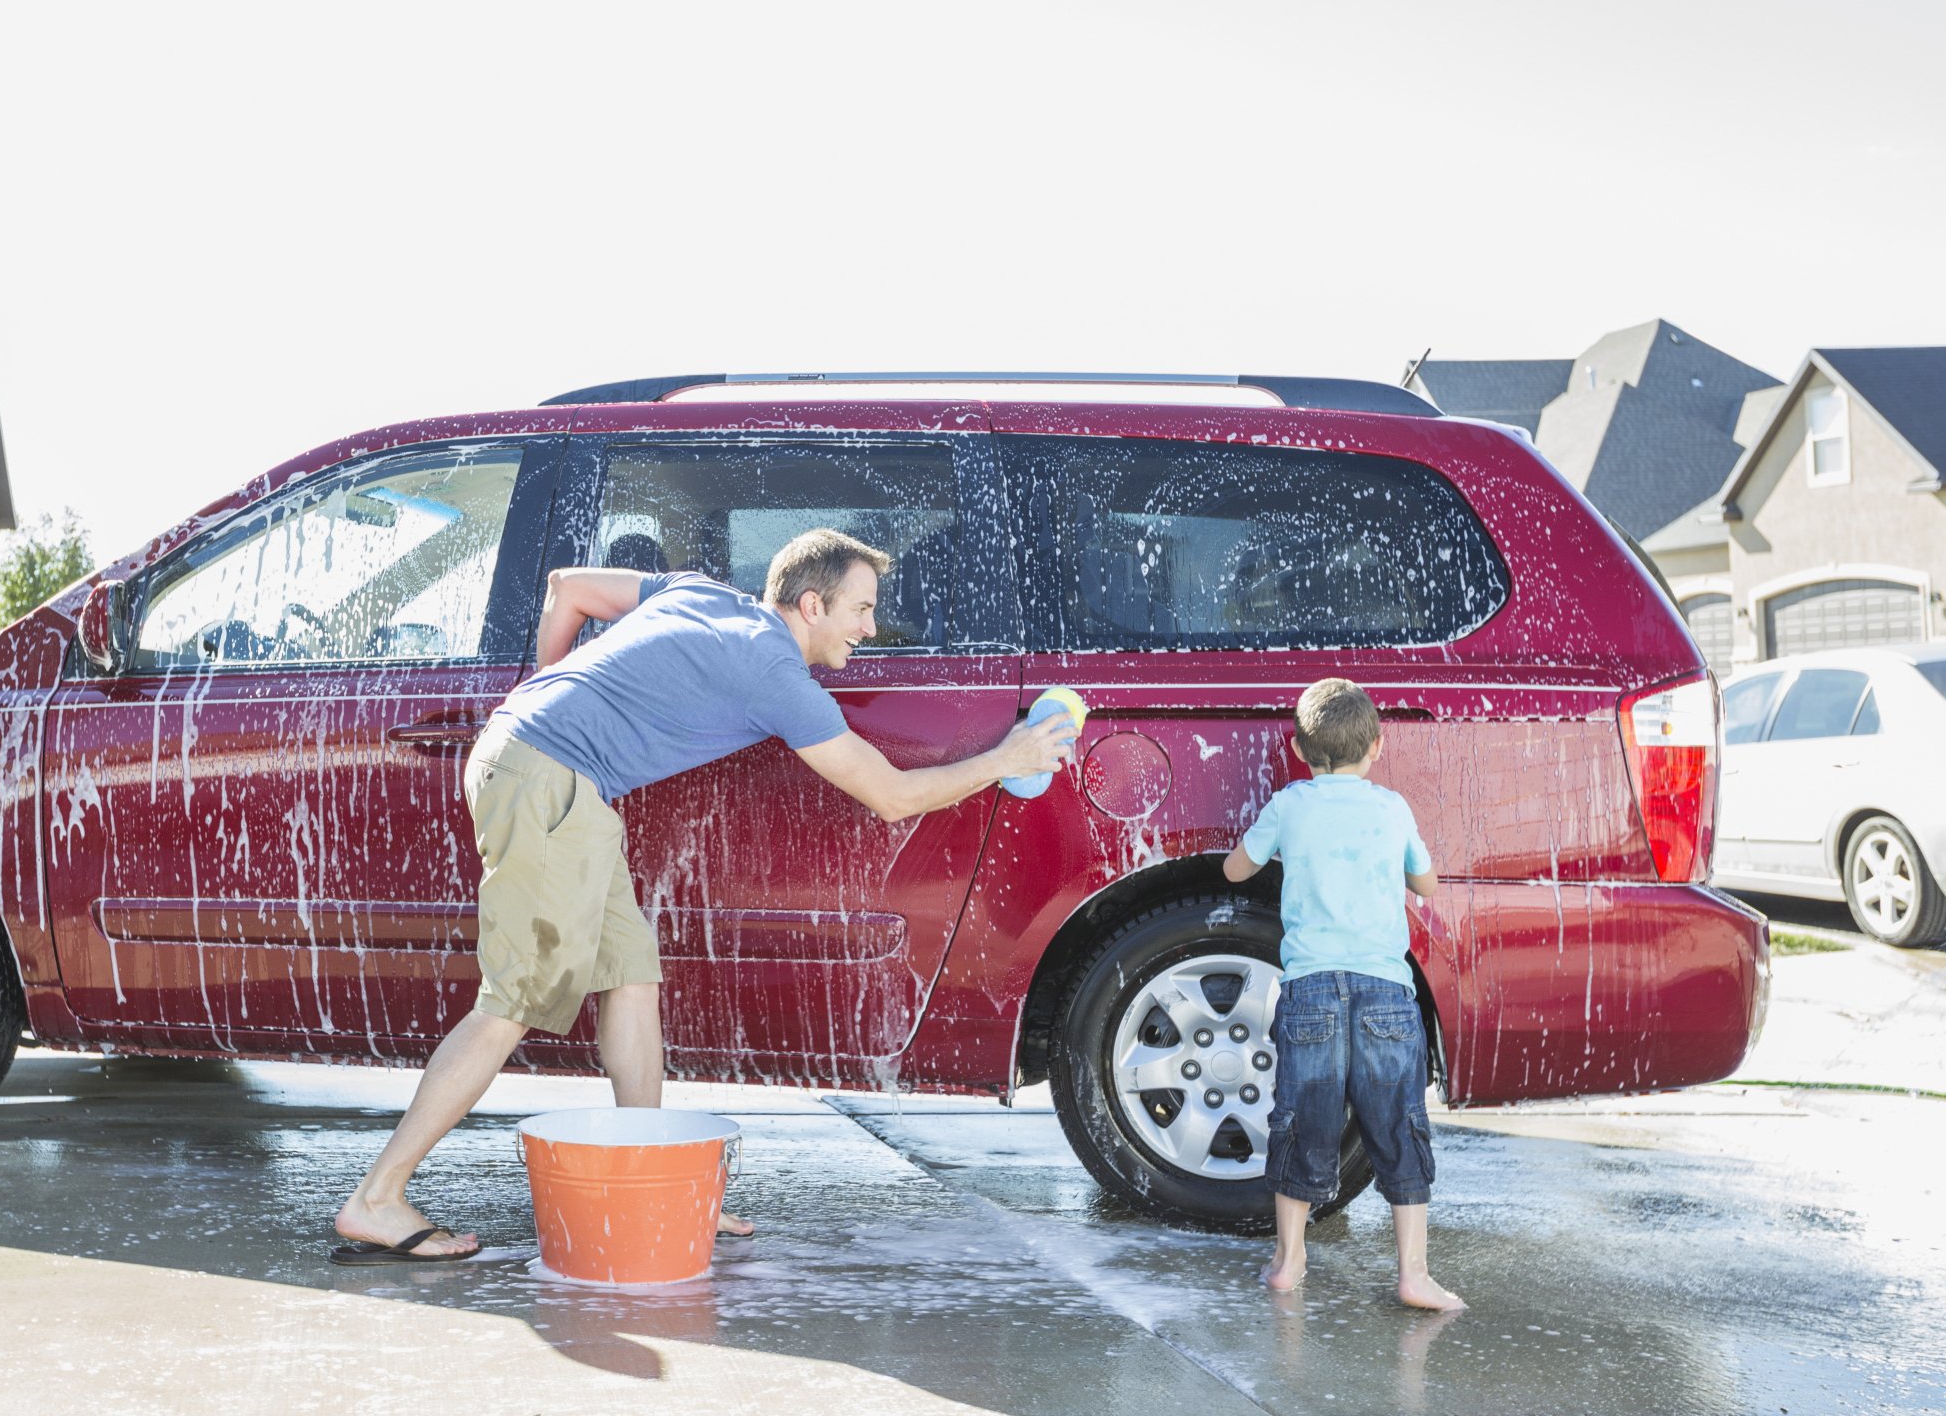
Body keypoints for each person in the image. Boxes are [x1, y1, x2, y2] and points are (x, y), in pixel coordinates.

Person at [331, 528, 1079, 1262]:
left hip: (553, 777)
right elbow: (890, 794)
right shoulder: (776, 676)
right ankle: (377, 1196)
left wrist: (541, 690)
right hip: (548, 782)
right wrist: (1005, 758)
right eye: (861, 608)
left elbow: (568, 587)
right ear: (811, 604)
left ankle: (650, 1177)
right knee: (512, 1004)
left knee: (631, 979)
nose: (871, 627)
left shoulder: (698, 594)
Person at [1221, 677, 1464, 1311]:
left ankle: (1288, 1258)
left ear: (1301, 749)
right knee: (1399, 1125)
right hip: (1385, 990)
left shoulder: (1291, 803)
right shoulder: (1392, 808)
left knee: (1302, 1121)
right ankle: (1413, 1274)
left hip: (1310, 992)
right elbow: (1428, 884)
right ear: (1377, 747)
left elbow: (1234, 869)